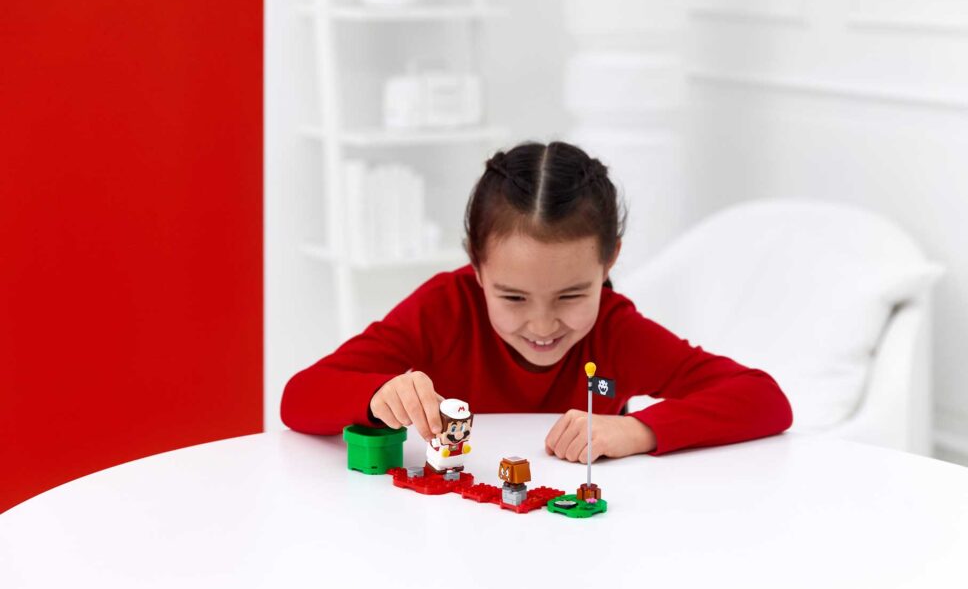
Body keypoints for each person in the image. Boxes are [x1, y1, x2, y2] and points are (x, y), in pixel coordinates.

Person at [280, 141, 792, 461]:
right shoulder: (443, 310)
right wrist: (377, 395)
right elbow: (298, 398)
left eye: (571, 294)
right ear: (477, 264)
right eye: (513, 296)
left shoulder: (615, 332)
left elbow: (764, 398)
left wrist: (639, 430)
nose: (543, 325)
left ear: (609, 262)